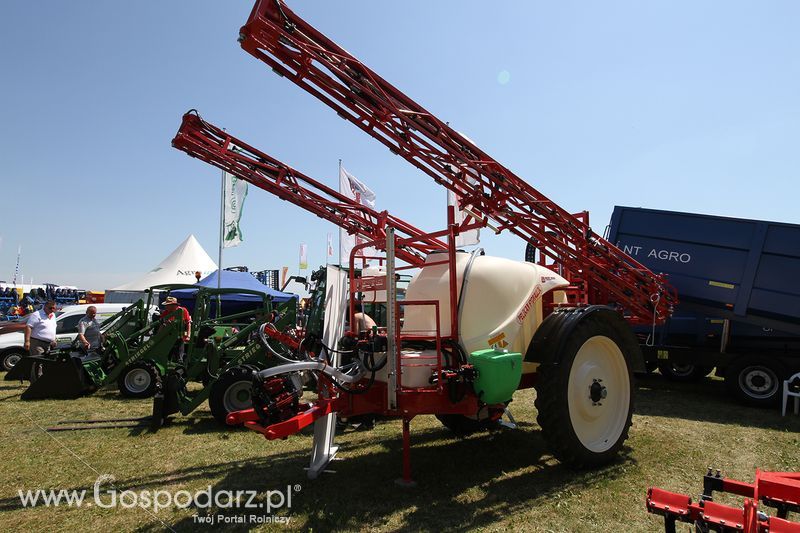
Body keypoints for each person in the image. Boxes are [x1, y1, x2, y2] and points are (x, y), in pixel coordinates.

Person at [161, 296, 192, 360]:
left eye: (167, 305)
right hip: (168, 337)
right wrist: (158, 336)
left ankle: (180, 363)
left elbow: (188, 323)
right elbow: (162, 325)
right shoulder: (165, 312)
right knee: (166, 355)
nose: (166, 307)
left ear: (173, 305)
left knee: (179, 354)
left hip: (180, 337)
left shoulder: (183, 311)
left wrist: (188, 335)